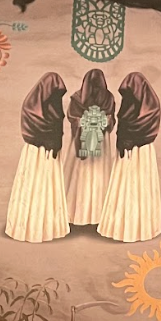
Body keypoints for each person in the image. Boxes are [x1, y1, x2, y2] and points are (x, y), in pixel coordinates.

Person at [4, 72, 70, 242]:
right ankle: (31, 227)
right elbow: (38, 125)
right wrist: (48, 140)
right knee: (34, 185)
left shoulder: (40, 104)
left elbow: (56, 121)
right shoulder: (32, 107)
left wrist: (54, 141)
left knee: (47, 187)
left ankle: (47, 226)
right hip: (37, 152)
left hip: (48, 152)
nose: (57, 100)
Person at [97, 72, 161, 243]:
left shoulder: (150, 109)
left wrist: (131, 139)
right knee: (124, 185)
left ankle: (139, 226)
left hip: (141, 151)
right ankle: (121, 224)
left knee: (139, 185)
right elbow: (123, 121)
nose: (127, 99)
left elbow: (144, 125)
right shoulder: (130, 106)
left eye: (129, 94)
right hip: (126, 151)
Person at [65, 69, 116, 227]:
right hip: (81, 140)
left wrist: (105, 121)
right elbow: (72, 117)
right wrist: (86, 123)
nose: (95, 89)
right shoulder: (77, 98)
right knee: (80, 176)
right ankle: (75, 213)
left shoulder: (108, 98)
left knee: (99, 175)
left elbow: (112, 119)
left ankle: (99, 215)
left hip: (100, 141)